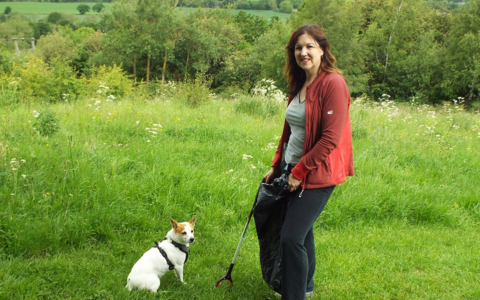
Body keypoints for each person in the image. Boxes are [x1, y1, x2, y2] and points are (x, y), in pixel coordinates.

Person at [264, 24, 354, 300]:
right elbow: (289, 131)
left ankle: (294, 296)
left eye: (310, 46)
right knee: (302, 232)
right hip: (292, 168)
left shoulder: (333, 83)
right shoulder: (300, 83)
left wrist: (299, 172)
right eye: (298, 48)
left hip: (317, 174)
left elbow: (329, 139)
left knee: (290, 237)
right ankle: (306, 287)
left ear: (323, 50)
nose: (303, 52)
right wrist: (277, 165)